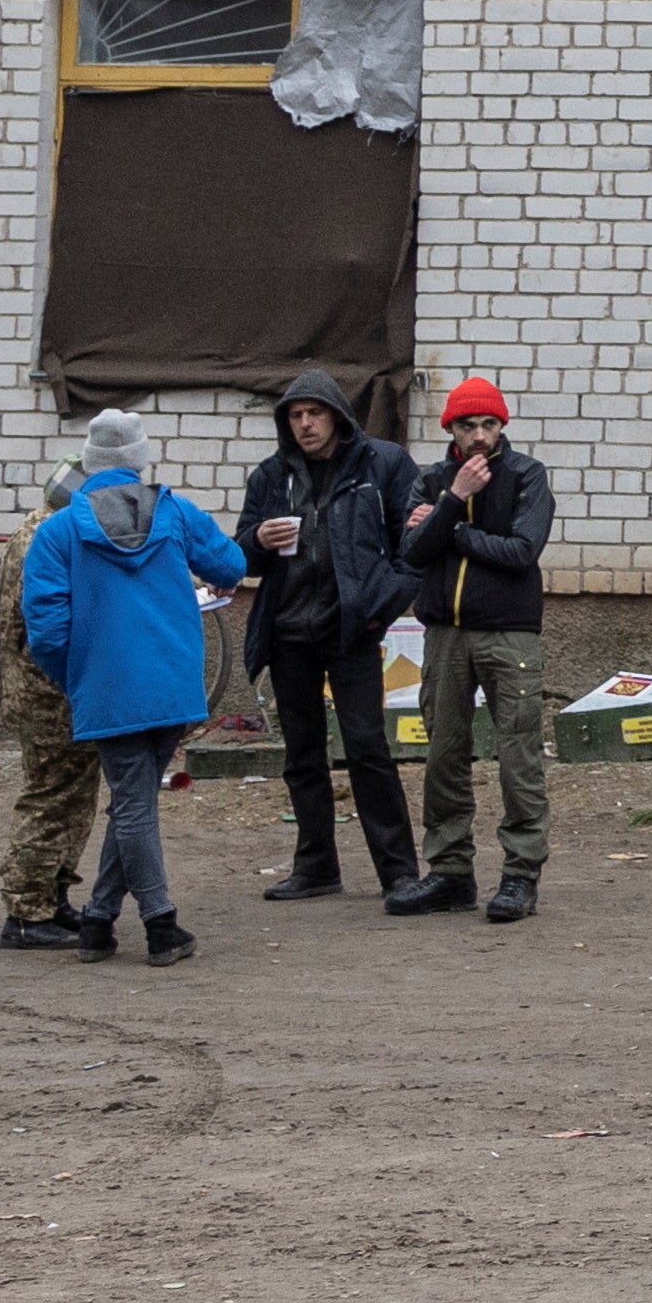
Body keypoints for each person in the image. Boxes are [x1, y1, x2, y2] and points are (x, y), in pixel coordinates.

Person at [19, 410, 250, 966]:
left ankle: (150, 924)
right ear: (141, 460)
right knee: (136, 801)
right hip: (172, 681)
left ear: (88, 463)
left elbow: (46, 629)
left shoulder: (55, 532)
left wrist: (77, 678)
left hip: (107, 686)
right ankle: (124, 921)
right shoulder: (174, 510)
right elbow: (232, 563)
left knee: (132, 802)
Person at [235, 372, 421, 904]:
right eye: (295, 415)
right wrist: (257, 538)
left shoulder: (381, 464)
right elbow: (241, 556)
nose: (305, 424)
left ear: (337, 415)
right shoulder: (271, 476)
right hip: (288, 631)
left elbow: (412, 548)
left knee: (367, 748)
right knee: (302, 755)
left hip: (351, 631)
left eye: (314, 413)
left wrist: (376, 612)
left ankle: (399, 871)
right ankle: (316, 866)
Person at [389, 376, 557, 922]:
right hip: (444, 635)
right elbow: (412, 552)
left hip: (509, 634)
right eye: (468, 425)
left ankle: (520, 875)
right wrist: (454, 498)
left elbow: (521, 550)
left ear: (501, 426)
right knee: (443, 757)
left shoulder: (527, 475)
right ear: (452, 430)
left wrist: (449, 527)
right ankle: (449, 872)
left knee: (518, 756)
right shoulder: (434, 479)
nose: (479, 435)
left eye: (488, 424)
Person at [0, 444, 108, 952]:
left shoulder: (44, 527)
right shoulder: (47, 536)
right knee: (50, 798)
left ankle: (52, 897)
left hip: (53, 691)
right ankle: (24, 912)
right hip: (47, 694)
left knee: (74, 798)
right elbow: (47, 627)